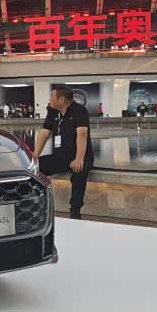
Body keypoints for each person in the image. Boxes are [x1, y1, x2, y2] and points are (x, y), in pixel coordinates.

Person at [34, 86, 94, 220]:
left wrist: (79, 158)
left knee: (79, 173)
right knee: (34, 168)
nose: (49, 99)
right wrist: (35, 156)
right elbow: (44, 133)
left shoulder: (79, 111)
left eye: (52, 96)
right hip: (61, 156)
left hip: (81, 156)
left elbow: (82, 134)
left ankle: (75, 210)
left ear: (61, 99)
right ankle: (36, 203)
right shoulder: (53, 112)